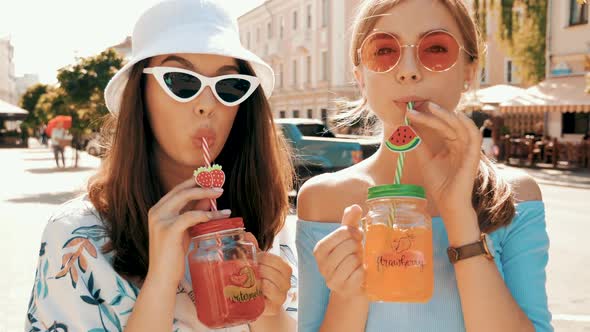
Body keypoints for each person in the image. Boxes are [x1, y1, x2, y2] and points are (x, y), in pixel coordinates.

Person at [26, 1, 297, 331]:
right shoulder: (76, 237)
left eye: (229, 87)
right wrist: (160, 282)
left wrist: (269, 313)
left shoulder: (266, 224)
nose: (206, 105)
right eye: (182, 82)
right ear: (140, 94)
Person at [296, 0, 552, 331]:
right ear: (360, 76)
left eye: (435, 49)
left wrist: (460, 217)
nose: (408, 70)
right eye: (384, 51)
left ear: (469, 72)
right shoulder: (323, 200)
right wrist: (350, 294)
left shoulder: (517, 195)